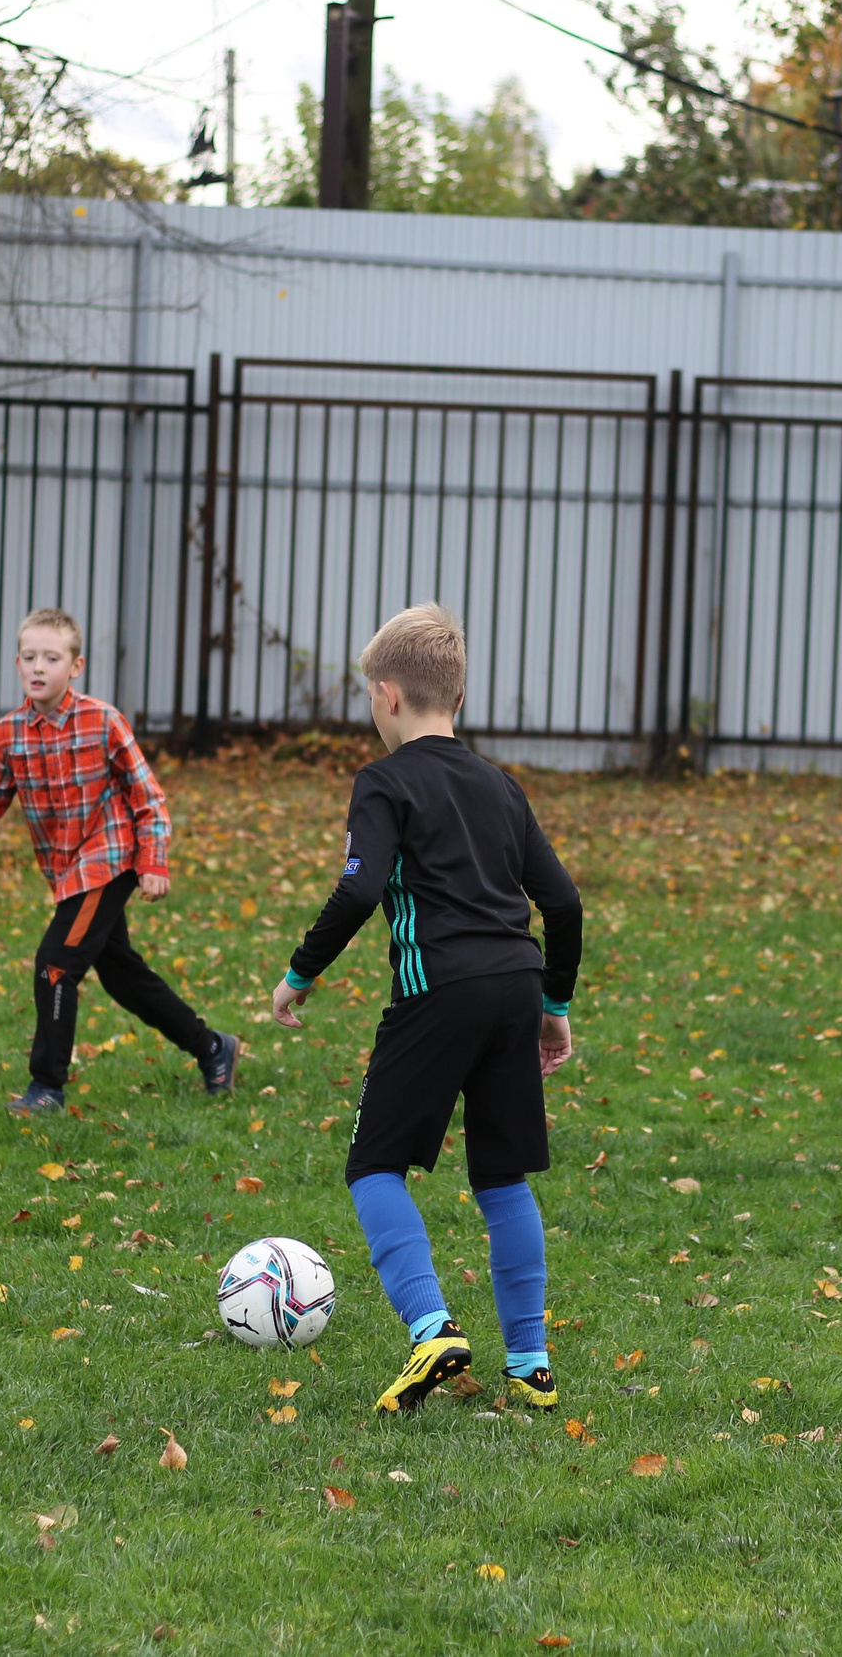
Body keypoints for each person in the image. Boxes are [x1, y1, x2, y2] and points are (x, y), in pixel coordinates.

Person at [270, 604, 583, 1414]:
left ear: (386, 695)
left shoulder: (384, 781)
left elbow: (360, 887)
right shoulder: (501, 786)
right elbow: (564, 902)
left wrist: (301, 973)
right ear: (459, 698)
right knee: (502, 1175)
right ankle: (531, 1363)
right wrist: (553, 1004)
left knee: (373, 1164)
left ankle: (433, 1327)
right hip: (515, 984)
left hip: (438, 991)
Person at [0, 609, 242, 1115]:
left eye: (52, 657)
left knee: (56, 964)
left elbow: (147, 798)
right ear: (17, 663)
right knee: (122, 975)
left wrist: (154, 861)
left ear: (76, 665)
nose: (38, 667)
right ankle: (213, 1048)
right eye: (29, 657)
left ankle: (47, 1087)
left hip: (110, 860)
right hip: (65, 871)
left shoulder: (103, 722)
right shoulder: (8, 734)